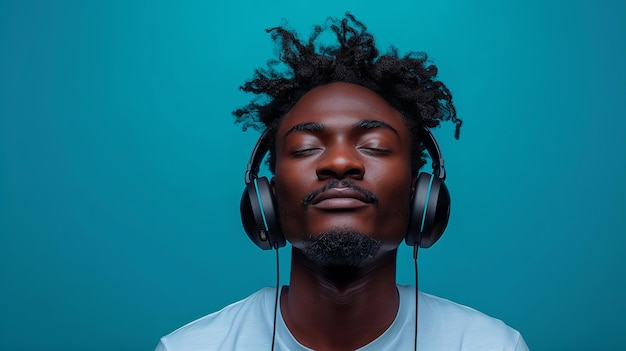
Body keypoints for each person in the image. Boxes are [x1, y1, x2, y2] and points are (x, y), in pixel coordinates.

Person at [155, 13, 529, 351]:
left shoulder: (491, 345)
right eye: (305, 148)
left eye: (375, 146)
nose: (339, 162)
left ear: (422, 195)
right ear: (266, 197)